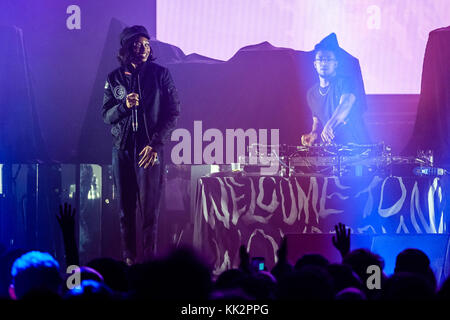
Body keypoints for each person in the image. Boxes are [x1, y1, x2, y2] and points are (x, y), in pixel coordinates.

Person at [102, 25, 180, 265]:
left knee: (149, 212)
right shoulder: (114, 77)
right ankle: (128, 259)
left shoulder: (160, 74)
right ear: (127, 47)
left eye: (147, 44)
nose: (144, 49)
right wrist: (124, 105)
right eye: (138, 44)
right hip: (123, 150)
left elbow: (174, 112)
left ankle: (148, 262)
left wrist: (155, 144)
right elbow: (106, 115)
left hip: (149, 151)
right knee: (125, 210)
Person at [301, 44, 369, 146]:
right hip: (330, 148)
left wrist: (329, 125)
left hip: (353, 145)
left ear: (335, 64)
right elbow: (316, 120)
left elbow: (345, 104)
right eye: (320, 59)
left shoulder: (346, 82)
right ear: (315, 64)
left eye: (328, 59)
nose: (324, 63)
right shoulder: (311, 93)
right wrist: (313, 133)